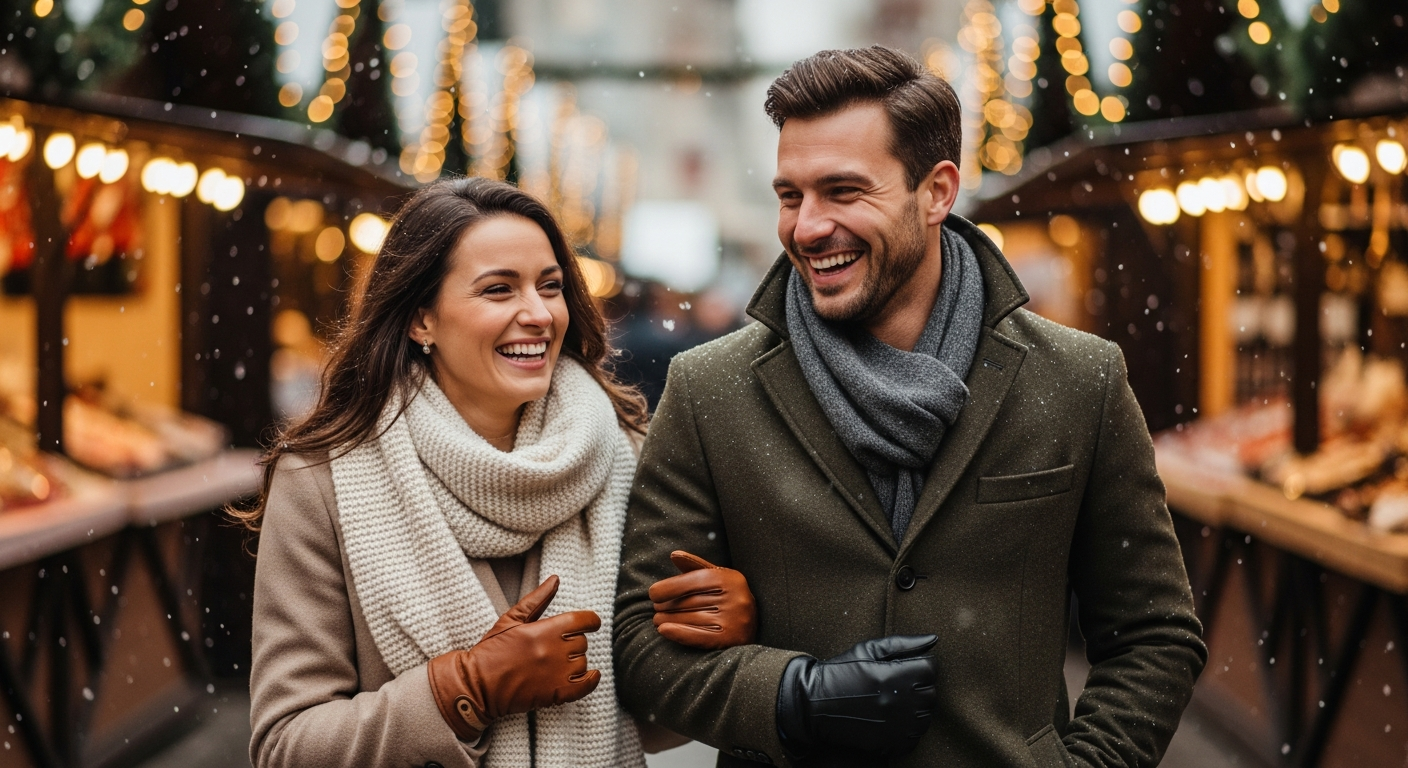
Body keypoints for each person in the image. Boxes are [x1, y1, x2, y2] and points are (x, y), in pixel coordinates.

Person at [614, 46, 1208, 767]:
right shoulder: (709, 389)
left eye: (843, 191)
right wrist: (793, 696)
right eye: (790, 196)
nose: (807, 227)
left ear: (936, 192)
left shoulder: (1080, 378)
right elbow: (640, 647)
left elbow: (1154, 635)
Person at [243, 178, 661, 767]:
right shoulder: (321, 481)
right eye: (498, 289)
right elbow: (285, 747)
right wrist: (465, 690)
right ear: (422, 320)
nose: (538, 313)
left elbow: (653, 724)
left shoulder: (624, 456)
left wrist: (708, 644)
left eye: (550, 286)